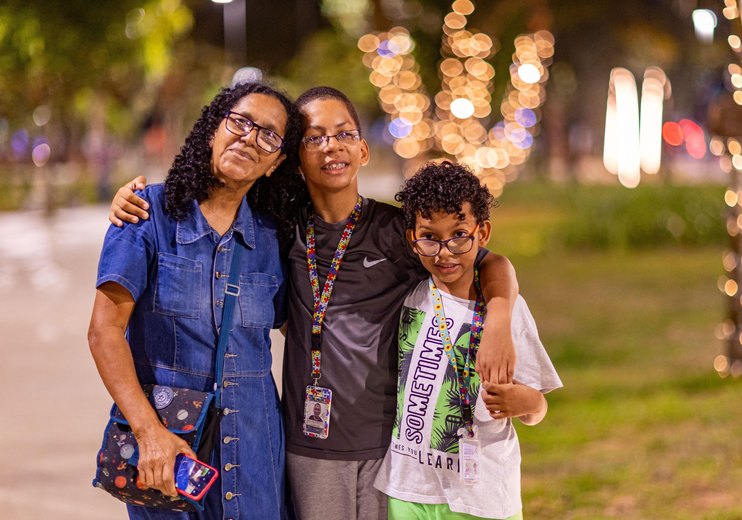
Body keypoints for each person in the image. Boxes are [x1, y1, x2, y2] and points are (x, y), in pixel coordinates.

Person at [108, 85, 518, 520]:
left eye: (343, 134)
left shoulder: (396, 231)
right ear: (295, 159)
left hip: (389, 445)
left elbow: (488, 263)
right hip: (308, 449)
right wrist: (130, 201)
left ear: (362, 148)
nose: (331, 147)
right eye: (314, 137)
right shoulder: (280, 231)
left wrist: (499, 319)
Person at [88, 81, 303, 519]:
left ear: (275, 162)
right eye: (240, 121)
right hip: (170, 453)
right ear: (212, 129)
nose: (249, 137)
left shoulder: (273, 239)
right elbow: (103, 332)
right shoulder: (145, 215)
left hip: (256, 456)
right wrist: (148, 433)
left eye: (269, 134)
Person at [374, 160, 562, 520]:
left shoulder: (506, 310)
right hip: (408, 488)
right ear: (413, 239)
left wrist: (528, 403)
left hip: (482, 497)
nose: (445, 252)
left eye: (459, 234)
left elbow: (537, 409)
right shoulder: (412, 295)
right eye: (430, 237)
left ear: (483, 232)